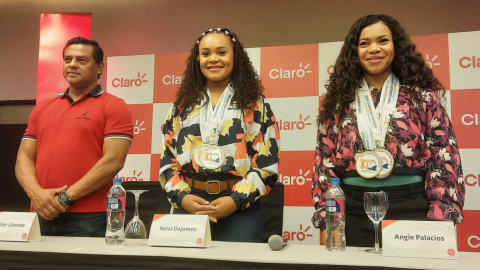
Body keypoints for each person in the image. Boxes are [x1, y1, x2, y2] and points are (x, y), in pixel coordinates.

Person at [311, 14, 465, 247]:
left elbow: (444, 159)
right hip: (351, 211)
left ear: (396, 46)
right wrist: (327, 218)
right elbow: (324, 164)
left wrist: (440, 217)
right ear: (355, 51)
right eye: (364, 43)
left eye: (382, 41)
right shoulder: (337, 103)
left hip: (412, 208)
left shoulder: (422, 98)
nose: (374, 49)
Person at [159, 28, 280, 242]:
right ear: (198, 59)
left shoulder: (256, 106)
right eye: (205, 54)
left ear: (235, 56)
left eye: (221, 52)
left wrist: (235, 199)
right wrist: (182, 197)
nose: (213, 59)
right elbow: (168, 160)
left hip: (240, 208)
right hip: (189, 203)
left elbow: (265, 163)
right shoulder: (181, 107)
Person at [15, 37, 134, 237]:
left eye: (81, 60)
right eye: (68, 59)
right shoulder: (43, 107)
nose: (72, 64)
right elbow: (23, 158)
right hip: (41, 211)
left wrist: (64, 198)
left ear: (99, 67)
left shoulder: (114, 106)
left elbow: (113, 161)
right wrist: (36, 195)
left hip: (89, 217)